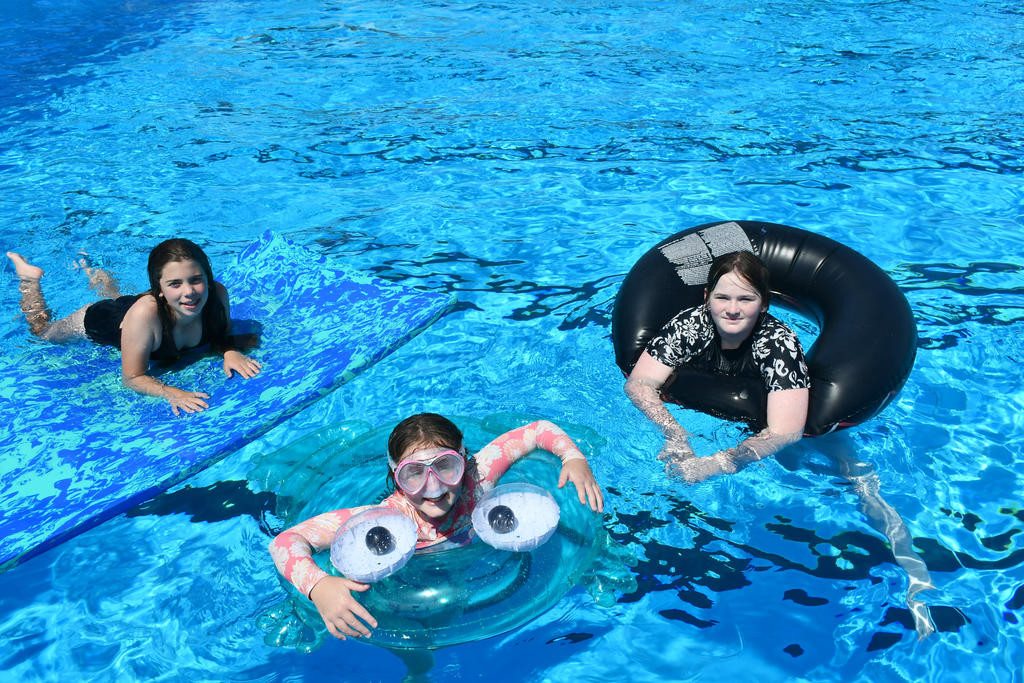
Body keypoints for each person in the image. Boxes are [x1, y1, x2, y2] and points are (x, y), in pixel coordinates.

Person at [269, 414, 604, 641]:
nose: (435, 487)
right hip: (415, 584)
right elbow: (285, 541)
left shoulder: (480, 479)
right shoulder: (385, 520)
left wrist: (574, 459)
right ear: (396, 478)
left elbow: (538, 430)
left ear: (465, 459)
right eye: (414, 474)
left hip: (474, 567)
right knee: (422, 640)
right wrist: (318, 586)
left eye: (447, 466)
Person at [6, 239, 261, 415]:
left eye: (196, 280)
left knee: (123, 299)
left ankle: (95, 273)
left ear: (207, 276)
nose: (189, 292)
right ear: (159, 288)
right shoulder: (143, 314)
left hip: (142, 310)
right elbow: (132, 378)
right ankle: (29, 278)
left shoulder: (217, 294)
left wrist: (229, 350)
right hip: (101, 321)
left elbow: (222, 332)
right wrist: (171, 392)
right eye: (175, 284)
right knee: (43, 332)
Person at [624, 250, 810, 482]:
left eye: (746, 299)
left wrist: (718, 463)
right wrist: (674, 435)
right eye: (722, 298)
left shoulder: (780, 344)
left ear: (764, 304)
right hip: (703, 406)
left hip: (755, 417)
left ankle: (863, 480)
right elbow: (639, 384)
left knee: (817, 452)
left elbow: (786, 432)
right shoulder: (689, 325)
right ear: (706, 297)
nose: (732, 310)